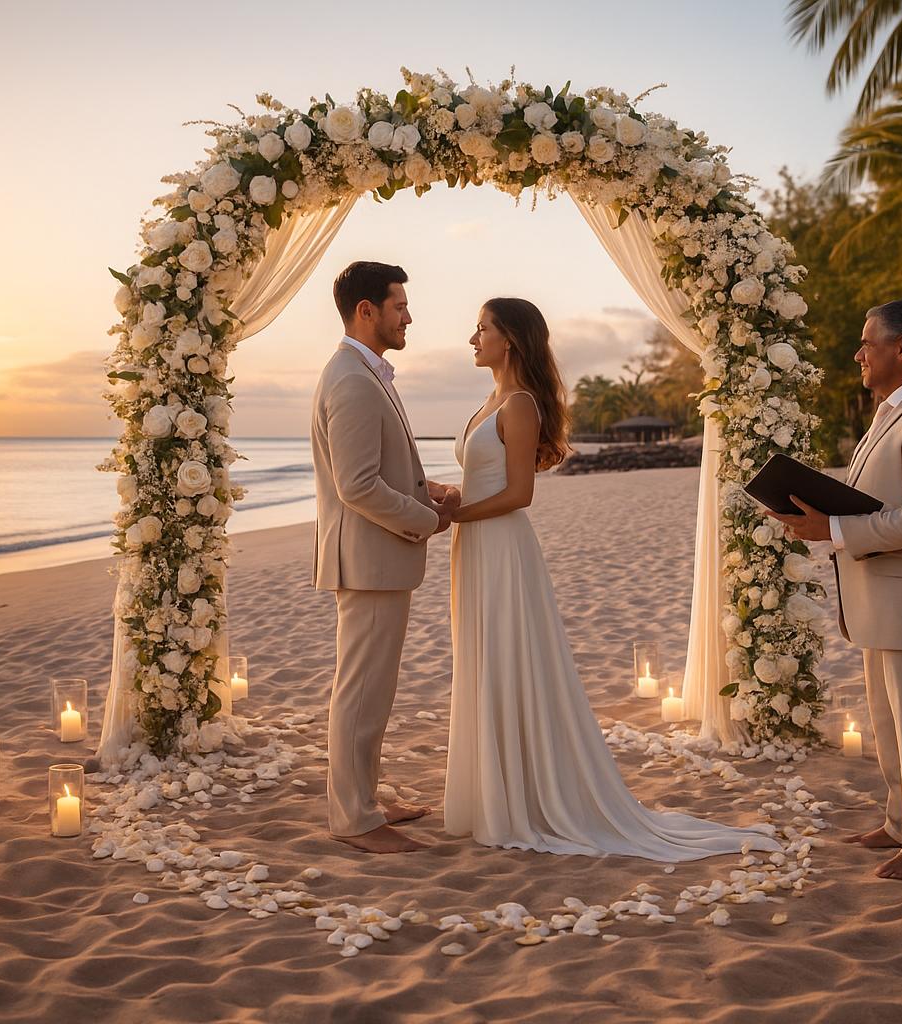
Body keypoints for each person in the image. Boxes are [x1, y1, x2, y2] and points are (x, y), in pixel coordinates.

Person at [443, 296, 778, 861]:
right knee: (483, 658)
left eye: (482, 329)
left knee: (506, 657)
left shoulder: (520, 404)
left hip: (501, 548)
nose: (472, 339)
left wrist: (455, 513)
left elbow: (520, 494)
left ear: (511, 341)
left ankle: (525, 795)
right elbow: (482, 481)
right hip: (476, 543)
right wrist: (446, 495)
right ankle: (494, 788)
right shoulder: (490, 400)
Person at [767, 298, 902, 881]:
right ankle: (901, 823)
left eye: (868, 343)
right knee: (889, 724)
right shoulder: (890, 414)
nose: (859, 354)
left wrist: (834, 529)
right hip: (882, 598)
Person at [309, 261, 457, 854]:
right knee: (362, 689)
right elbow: (358, 486)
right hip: (367, 560)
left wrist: (430, 490)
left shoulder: (366, 372)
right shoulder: (349, 378)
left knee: (374, 687)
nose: (409, 315)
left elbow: (383, 469)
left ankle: (365, 800)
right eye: (399, 305)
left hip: (375, 557)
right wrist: (427, 520)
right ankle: (352, 819)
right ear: (365, 310)